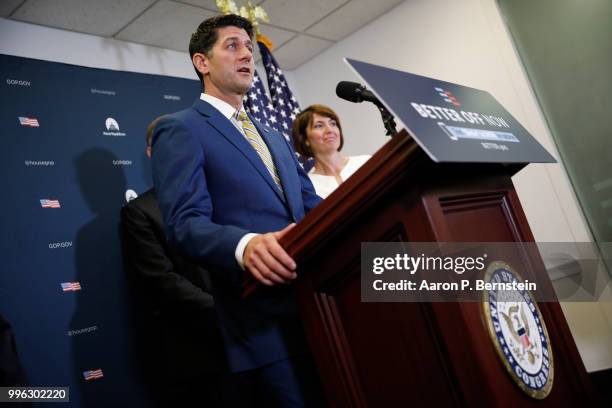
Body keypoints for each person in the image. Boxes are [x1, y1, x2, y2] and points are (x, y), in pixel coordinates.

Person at [150, 14, 324, 407]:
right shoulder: (181, 128)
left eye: (249, 47)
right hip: (263, 329)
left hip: (321, 311)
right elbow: (184, 224)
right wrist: (245, 246)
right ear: (202, 62)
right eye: (232, 46)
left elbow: (314, 210)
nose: (247, 54)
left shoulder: (276, 137)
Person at [121, 117, 234, 406]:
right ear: (150, 153)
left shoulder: (221, 195)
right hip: (198, 348)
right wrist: (222, 309)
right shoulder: (140, 212)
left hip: (247, 334)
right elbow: (162, 280)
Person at [292, 104, 370, 199]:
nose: (330, 130)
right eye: (319, 126)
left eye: (333, 123)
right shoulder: (309, 188)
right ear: (305, 139)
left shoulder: (366, 162)